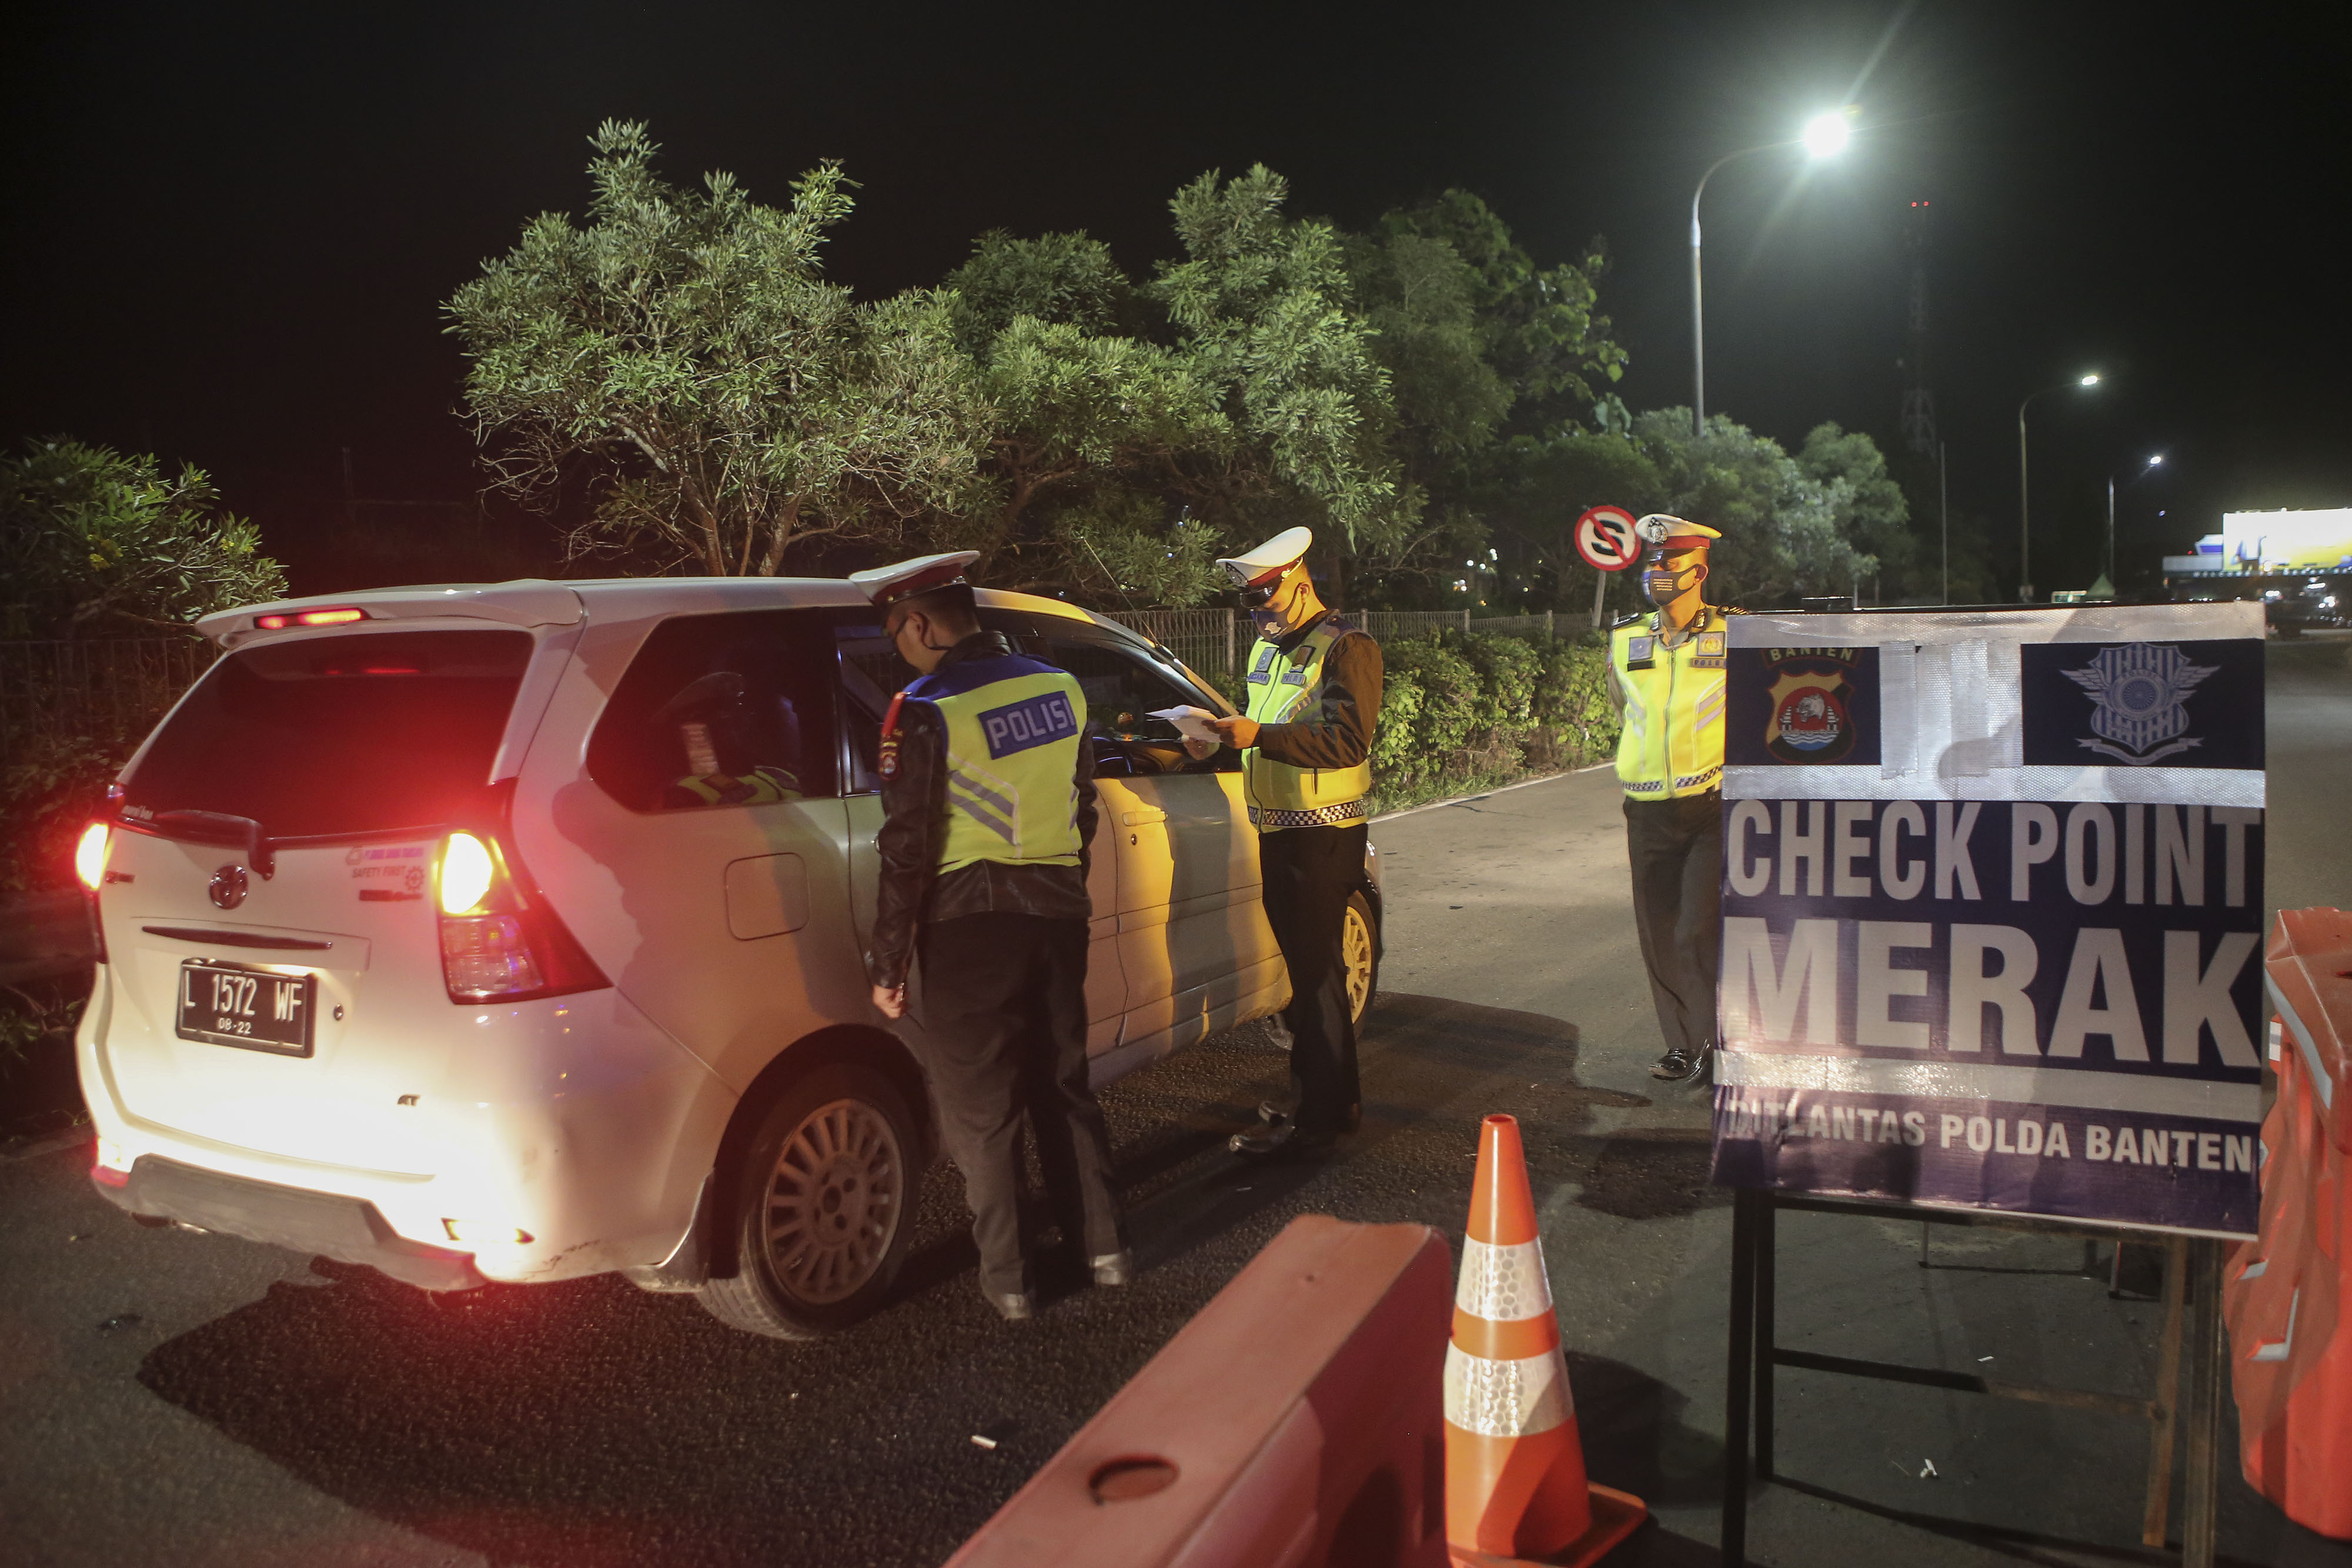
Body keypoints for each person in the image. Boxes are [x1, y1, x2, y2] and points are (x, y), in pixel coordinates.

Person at [851, 551, 1128, 1320]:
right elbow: (1082, 804)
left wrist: (890, 959)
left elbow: (907, 845)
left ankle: (1010, 1280)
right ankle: (1103, 1249)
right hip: (1056, 915)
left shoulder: (924, 707)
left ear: (920, 622)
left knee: (983, 1110)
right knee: (1064, 1086)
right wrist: (1060, 881)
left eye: (898, 632)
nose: (900, 647)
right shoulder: (1059, 686)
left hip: (969, 928)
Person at [1204, 527, 1383, 1159]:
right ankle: (1327, 1104)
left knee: (1316, 979)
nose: (1258, 613)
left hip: (1324, 832)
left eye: (1266, 598)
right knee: (1309, 977)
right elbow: (1265, 728)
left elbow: (1346, 742)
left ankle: (1322, 1118)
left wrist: (1259, 737)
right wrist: (1222, 737)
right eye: (1250, 603)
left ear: (1299, 582)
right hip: (1279, 828)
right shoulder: (1267, 652)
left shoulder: (1347, 648)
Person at [1604, 514, 1737, 1084]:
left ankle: (1715, 1044)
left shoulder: (1733, 634)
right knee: (1659, 934)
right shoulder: (1624, 638)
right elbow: (1622, 710)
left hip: (1711, 805)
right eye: (1652, 561)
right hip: (1645, 808)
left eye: (1668, 562)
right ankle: (1681, 1045)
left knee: (1695, 930)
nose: (1656, 572)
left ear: (1698, 571)